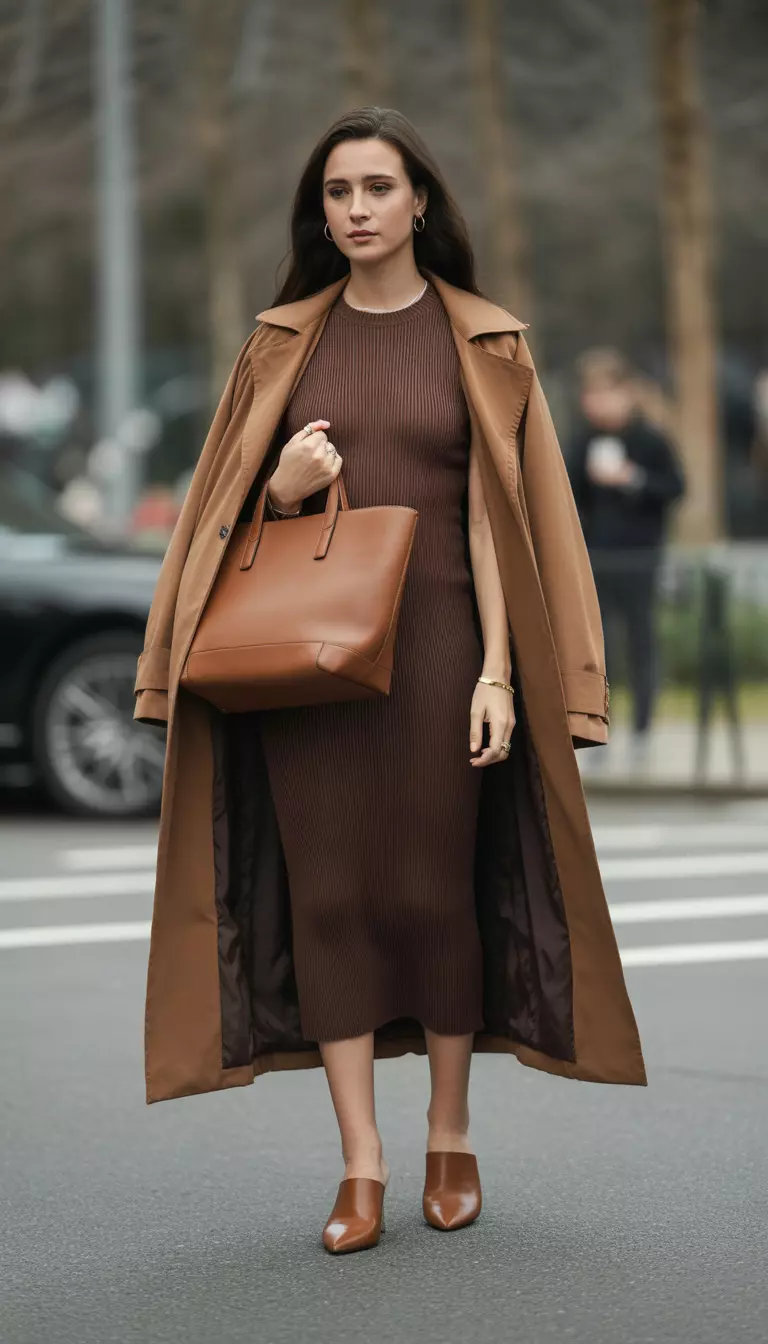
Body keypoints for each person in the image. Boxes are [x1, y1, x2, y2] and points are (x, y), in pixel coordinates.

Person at [134, 108, 646, 1258]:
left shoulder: (482, 341)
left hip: (442, 657)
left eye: (377, 187)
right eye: (337, 192)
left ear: (420, 202)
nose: (357, 208)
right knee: (329, 903)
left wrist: (500, 675)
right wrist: (282, 489)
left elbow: (497, 524)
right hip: (308, 671)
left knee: (432, 896)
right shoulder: (281, 344)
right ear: (319, 215)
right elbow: (222, 515)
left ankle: (448, 1136)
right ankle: (360, 1162)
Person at [566, 348, 685, 767]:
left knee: (640, 642)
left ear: (626, 393)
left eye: (605, 394)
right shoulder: (581, 441)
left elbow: (675, 488)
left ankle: (643, 730)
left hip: (639, 557)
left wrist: (632, 479)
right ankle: (600, 728)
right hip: (596, 559)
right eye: (591, 395)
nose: (597, 404)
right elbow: (567, 495)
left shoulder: (650, 440)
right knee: (598, 651)